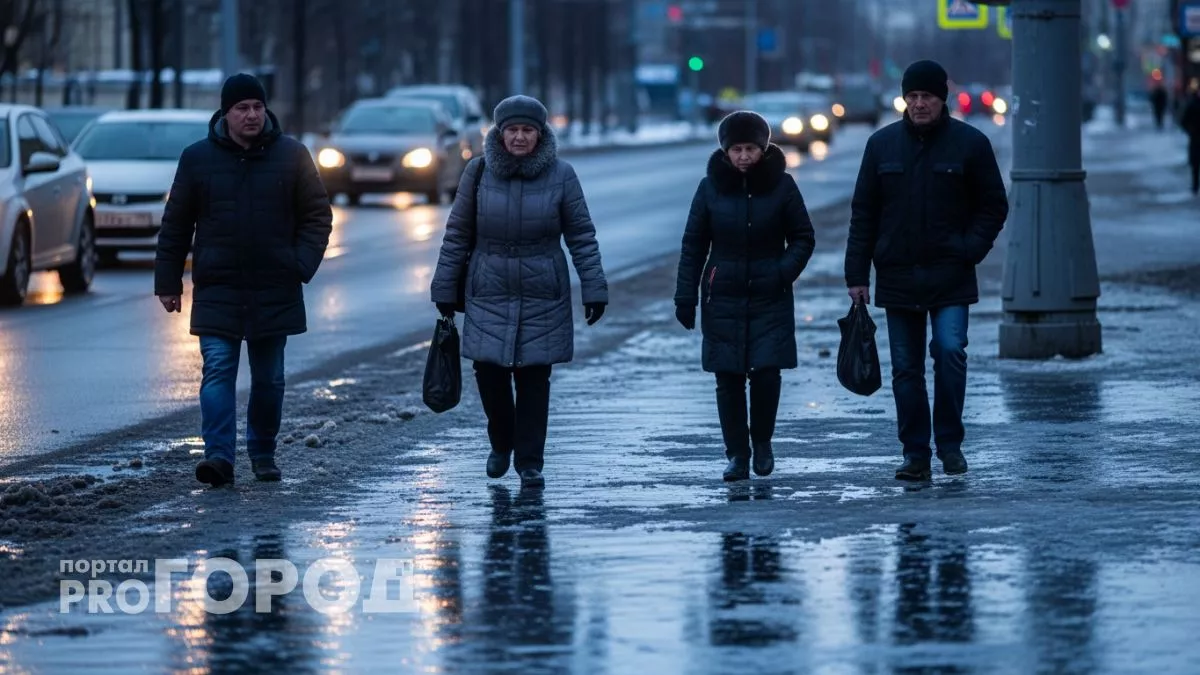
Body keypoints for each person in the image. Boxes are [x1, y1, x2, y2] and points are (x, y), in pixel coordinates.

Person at [154, 73, 333, 487]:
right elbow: (176, 223)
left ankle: (262, 451)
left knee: (269, 378)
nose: (251, 115)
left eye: (257, 106)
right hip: (219, 286)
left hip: (275, 285)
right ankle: (218, 456)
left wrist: (299, 264)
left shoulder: (292, 155)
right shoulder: (197, 158)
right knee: (217, 371)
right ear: (226, 113)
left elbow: (317, 216)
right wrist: (168, 281)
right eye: (242, 108)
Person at [430, 94, 608, 489]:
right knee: (489, 373)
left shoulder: (562, 175)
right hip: (488, 285)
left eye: (528, 130)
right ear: (500, 133)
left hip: (542, 287)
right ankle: (500, 443)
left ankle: (530, 461)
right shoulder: (477, 172)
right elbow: (457, 234)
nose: (520, 137)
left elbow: (581, 235)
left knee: (533, 379)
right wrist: (444, 287)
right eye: (513, 130)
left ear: (541, 134)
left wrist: (594, 287)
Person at [844, 60, 1009, 481]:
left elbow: (994, 205)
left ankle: (950, 445)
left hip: (950, 273)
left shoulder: (970, 144)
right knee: (906, 368)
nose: (919, 104)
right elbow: (863, 213)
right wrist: (857, 275)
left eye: (927, 97)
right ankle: (915, 453)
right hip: (898, 275)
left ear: (942, 100)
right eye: (913, 96)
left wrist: (969, 249)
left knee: (950, 353)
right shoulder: (881, 146)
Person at [675, 111, 816, 482]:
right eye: (735, 149)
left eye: (750, 148)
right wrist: (684, 296)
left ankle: (763, 443)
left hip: (771, 293)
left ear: (763, 148)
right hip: (723, 294)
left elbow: (803, 237)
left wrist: (781, 271)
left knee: (767, 373)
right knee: (728, 378)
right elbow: (693, 245)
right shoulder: (709, 188)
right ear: (725, 151)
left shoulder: (782, 186)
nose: (742, 156)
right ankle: (737, 454)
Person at [1182, 87, 1200, 196]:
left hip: (1195, 137)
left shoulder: (1191, 104)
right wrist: (1191, 131)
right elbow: (1184, 121)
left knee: (1195, 164)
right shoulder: (1192, 105)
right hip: (1195, 138)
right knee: (1195, 164)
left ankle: (1195, 185)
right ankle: (1195, 185)